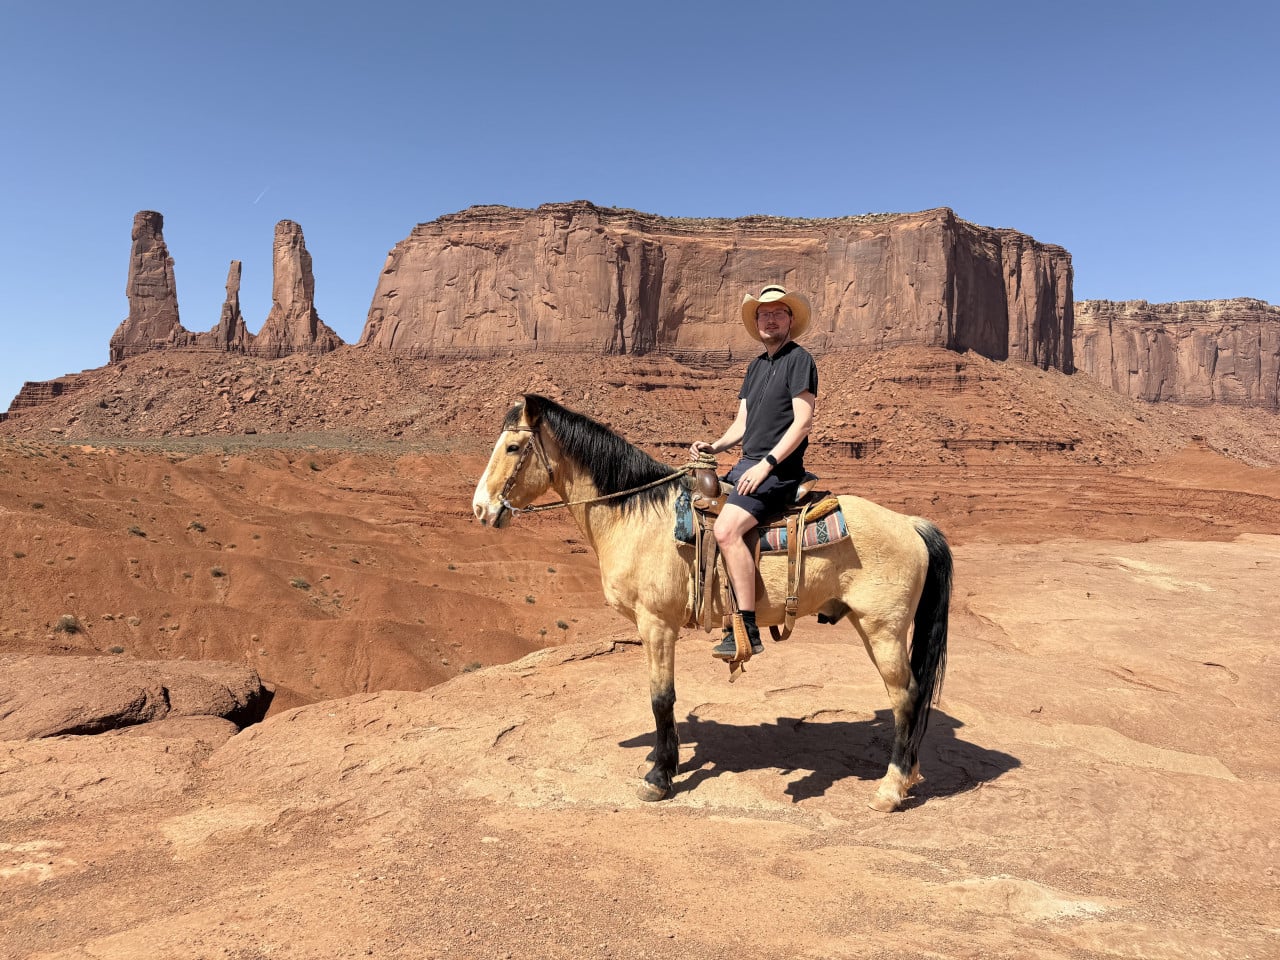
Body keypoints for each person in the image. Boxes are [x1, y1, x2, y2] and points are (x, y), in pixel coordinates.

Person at [689, 284, 818, 659]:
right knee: (694, 504)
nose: (770, 319)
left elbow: (803, 423)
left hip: (779, 471)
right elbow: (742, 424)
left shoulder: (800, 360)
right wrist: (714, 446)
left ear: (790, 320)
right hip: (746, 464)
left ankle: (747, 628)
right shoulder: (756, 366)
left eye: (778, 312)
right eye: (764, 314)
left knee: (727, 530)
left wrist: (767, 465)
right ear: (756, 321)